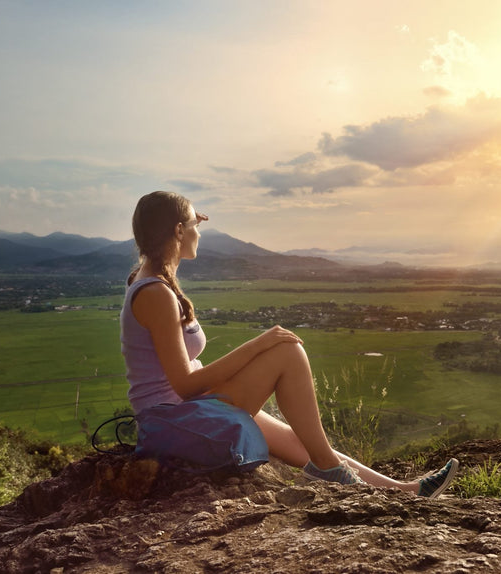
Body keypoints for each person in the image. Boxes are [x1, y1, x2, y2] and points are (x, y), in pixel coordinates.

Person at [120, 191, 458, 497]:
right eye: (196, 224)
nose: (200, 230)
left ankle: (404, 490)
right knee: (286, 351)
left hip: (183, 411)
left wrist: (189, 217)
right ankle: (329, 472)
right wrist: (259, 344)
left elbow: (181, 378)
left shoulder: (147, 279)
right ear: (178, 231)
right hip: (174, 418)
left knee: (303, 440)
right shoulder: (155, 293)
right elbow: (184, 385)